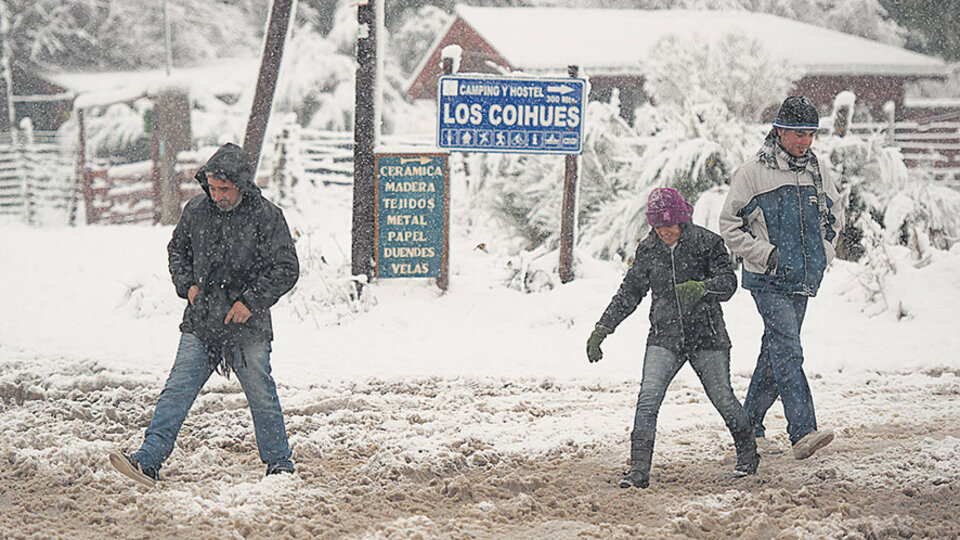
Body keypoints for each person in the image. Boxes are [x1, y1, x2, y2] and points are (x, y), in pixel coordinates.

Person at [109, 142, 300, 487]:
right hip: (202, 321)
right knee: (177, 390)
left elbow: (286, 268)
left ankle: (279, 465)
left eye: (224, 188)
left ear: (241, 184)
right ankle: (148, 460)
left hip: (248, 325)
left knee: (261, 395)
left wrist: (250, 302)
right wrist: (188, 287)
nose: (217, 195)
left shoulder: (267, 217)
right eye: (212, 188)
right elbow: (177, 251)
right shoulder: (196, 210)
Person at [587, 187, 759, 489]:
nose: (664, 231)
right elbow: (629, 293)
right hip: (664, 338)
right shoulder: (648, 250)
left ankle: (748, 454)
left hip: (708, 336)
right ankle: (638, 471)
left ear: (682, 220)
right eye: (658, 226)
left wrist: (703, 288)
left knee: (722, 398)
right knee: (648, 399)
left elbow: (729, 284)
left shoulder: (708, 243)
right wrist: (603, 328)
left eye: (670, 225)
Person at [719, 96, 843, 461]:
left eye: (810, 135)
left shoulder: (817, 171)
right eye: (798, 134)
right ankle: (802, 431)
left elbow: (834, 218)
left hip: (803, 278)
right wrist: (768, 255)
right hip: (767, 280)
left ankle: (748, 424)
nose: (805, 142)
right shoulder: (753, 172)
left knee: (775, 354)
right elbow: (730, 226)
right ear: (779, 131)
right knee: (788, 349)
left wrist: (823, 255)